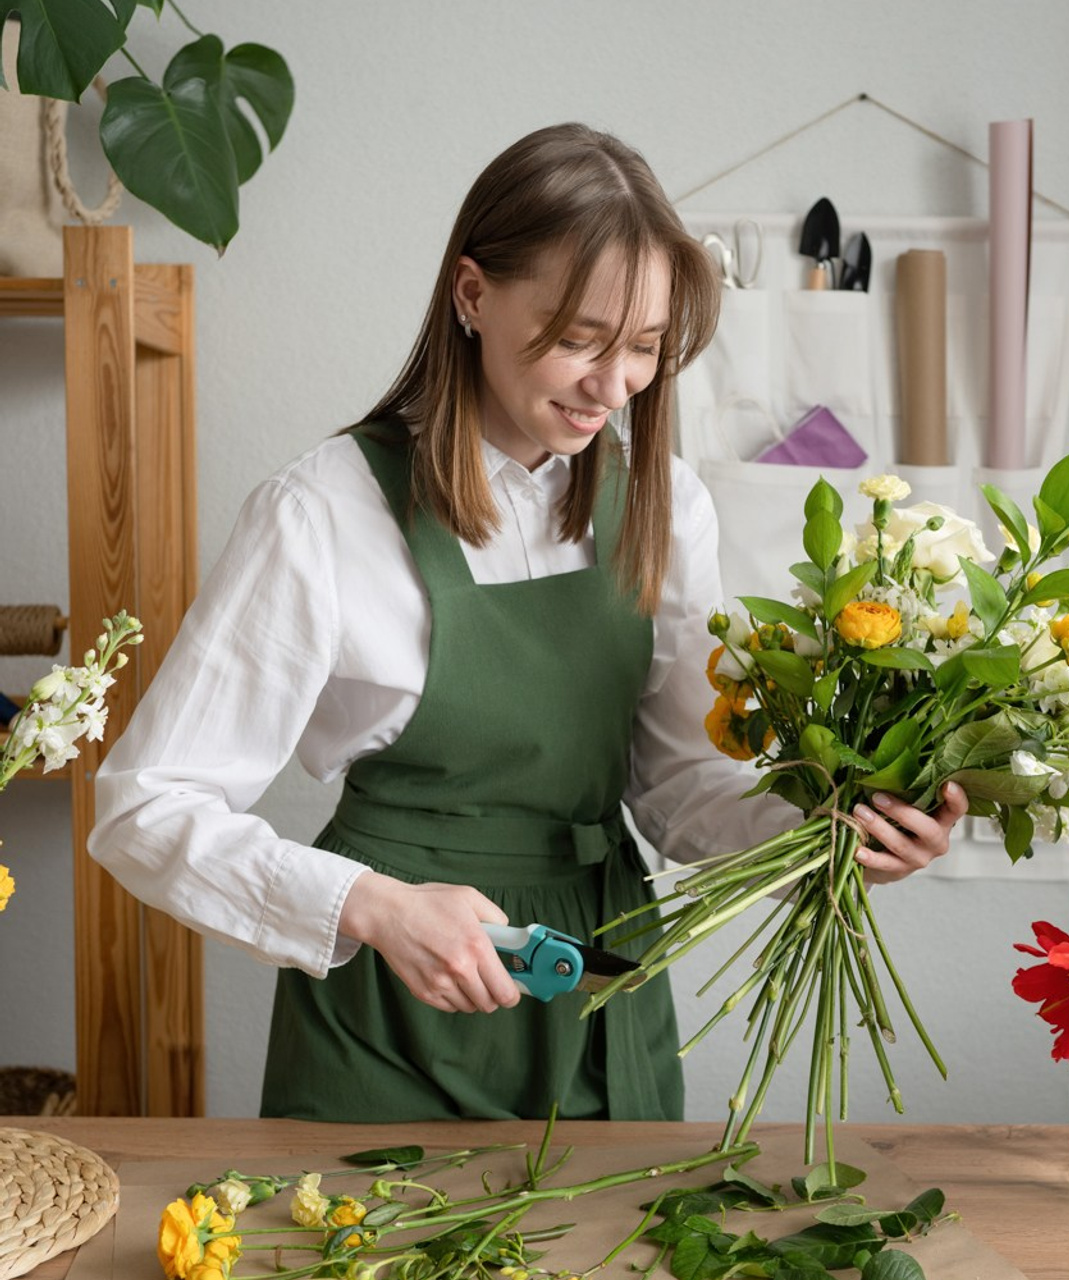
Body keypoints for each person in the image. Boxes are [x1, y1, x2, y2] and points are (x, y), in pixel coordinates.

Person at [89, 123, 968, 1123]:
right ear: (472, 294)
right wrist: (370, 904)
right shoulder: (322, 512)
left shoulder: (664, 504)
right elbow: (144, 807)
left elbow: (676, 783)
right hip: (390, 1018)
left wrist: (822, 833)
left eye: (642, 348)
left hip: (599, 990)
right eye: (581, 338)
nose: (614, 384)